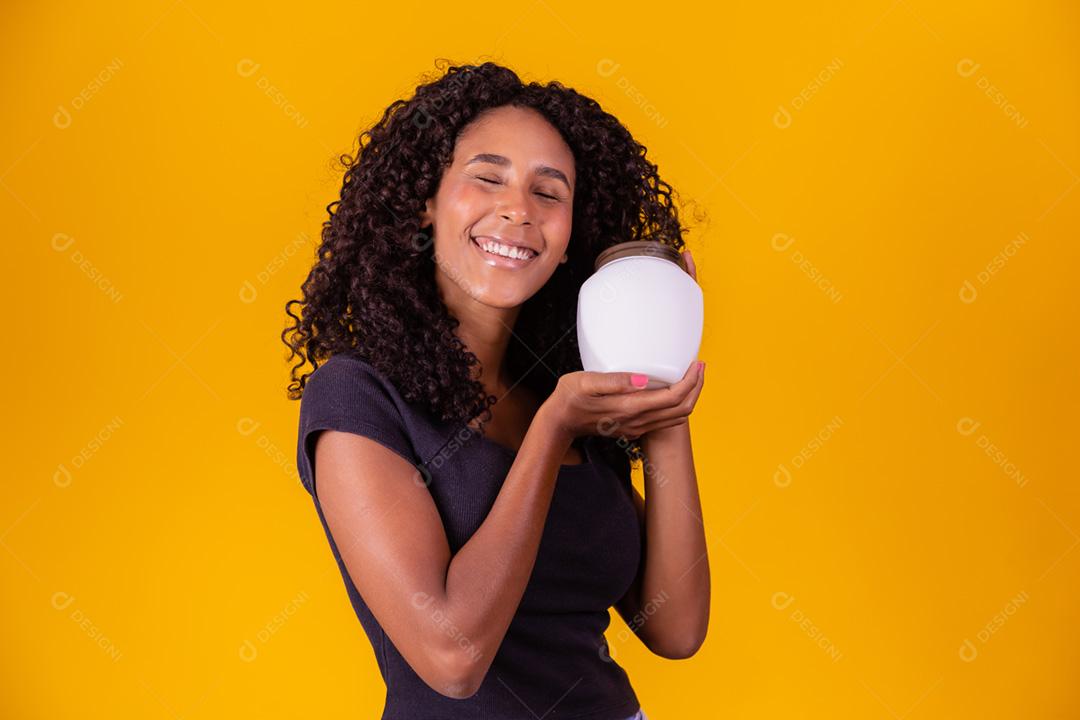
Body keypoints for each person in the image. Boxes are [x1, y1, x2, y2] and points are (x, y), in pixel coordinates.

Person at [283, 59, 709, 720]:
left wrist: (666, 405)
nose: (518, 208)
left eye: (550, 191)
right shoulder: (359, 398)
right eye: (488, 178)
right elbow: (453, 660)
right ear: (424, 201)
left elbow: (676, 630)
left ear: (572, 237)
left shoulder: (556, 392)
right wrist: (552, 433)